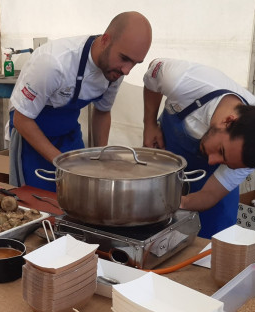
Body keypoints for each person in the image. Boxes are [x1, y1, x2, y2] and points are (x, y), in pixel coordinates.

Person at [142, 58, 255, 238]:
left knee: (210, 246)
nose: (212, 161)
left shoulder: (253, 151)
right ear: (228, 120)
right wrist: (149, 124)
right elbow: (153, 73)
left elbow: (210, 194)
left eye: (228, 164)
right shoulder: (183, 80)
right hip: (167, 160)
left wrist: (176, 204)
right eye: (221, 151)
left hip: (210, 186)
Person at [8, 11, 152, 191]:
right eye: (124, 59)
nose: (127, 70)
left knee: (79, 195)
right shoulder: (53, 63)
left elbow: (102, 111)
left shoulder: (116, 71)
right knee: (38, 204)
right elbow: (21, 120)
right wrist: (62, 163)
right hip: (31, 138)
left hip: (69, 136)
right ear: (105, 40)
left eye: (135, 63)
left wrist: (101, 158)